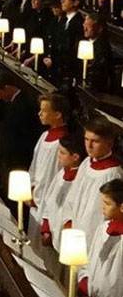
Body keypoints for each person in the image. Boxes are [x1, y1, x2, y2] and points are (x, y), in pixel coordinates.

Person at [62, 116, 123, 249]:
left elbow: (107, 213)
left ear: (109, 143)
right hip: (75, 232)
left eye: (95, 141)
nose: (88, 146)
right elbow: (73, 196)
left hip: (93, 238)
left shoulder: (112, 174)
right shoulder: (86, 163)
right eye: (86, 139)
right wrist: (68, 220)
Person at [28, 93, 69, 237]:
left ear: (58, 114)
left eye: (44, 111)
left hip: (49, 201)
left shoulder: (63, 143)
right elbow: (35, 167)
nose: (39, 114)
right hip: (36, 198)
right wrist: (31, 188)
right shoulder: (45, 136)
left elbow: (54, 175)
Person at [0, 72, 42, 185]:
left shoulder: (24, 105)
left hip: (18, 160)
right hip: (11, 158)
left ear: (7, 88)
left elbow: (25, 135)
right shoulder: (14, 102)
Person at [40, 132, 86, 253]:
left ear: (75, 157)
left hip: (66, 242)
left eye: (62, 153)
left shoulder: (79, 182)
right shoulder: (61, 175)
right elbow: (48, 201)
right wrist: (46, 228)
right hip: (51, 236)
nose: (58, 156)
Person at [77, 179, 123, 297]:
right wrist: (85, 279)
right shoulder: (102, 228)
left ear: (122, 207)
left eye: (107, 203)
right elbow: (90, 260)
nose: (103, 207)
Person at [48, 0, 85, 84]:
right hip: (56, 67)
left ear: (75, 2)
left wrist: (56, 62)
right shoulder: (63, 20)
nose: (62, 1)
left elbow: (72, 48)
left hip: (67, 70)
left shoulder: (79, 23)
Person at [83, 13, 114, 92]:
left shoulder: (102, 47)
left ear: (99, 29)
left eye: (88, 26)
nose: (85, 29)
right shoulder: (84, 42)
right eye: (84, 25)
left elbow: (98, 68)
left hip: (96, 88)